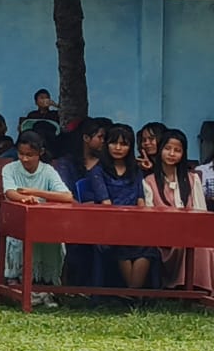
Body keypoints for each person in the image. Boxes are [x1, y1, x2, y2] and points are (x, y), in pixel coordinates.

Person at [0, 130, 75, 307]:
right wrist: (23, 199)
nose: (25, 159)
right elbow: (10, 192)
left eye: (30, 155)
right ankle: (18, 284)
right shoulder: (9, 168)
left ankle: (46, 287)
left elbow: (66, 196)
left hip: (44, 225)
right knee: (15, 241)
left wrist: (33, 192)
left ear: (40, 153)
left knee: (52, 242)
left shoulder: (48, 171)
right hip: (16, 224)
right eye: (21, 154)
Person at [80, 123, 155, 291]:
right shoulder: (98, 171)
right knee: (124, 244)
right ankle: (134, 294)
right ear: (106, 145)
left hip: (134, 223)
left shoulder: (135, 169)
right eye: (114, 143)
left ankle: (131, 293)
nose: (118, 148)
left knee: (148, 246)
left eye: (124, 144)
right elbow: (106, 204)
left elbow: (141, 201)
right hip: (109, 224)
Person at [144, 129, 212, 295]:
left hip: (192, 233)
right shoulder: (149, 181)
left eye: (177, 150)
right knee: (186, 245)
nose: (172, 154)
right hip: (164, 237)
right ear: (160, 150)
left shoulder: (192, 179)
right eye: (168, 149)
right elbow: (149, 216)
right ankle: (184, 288)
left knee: (206, 247)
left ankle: (203, 291)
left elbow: (200, 212)